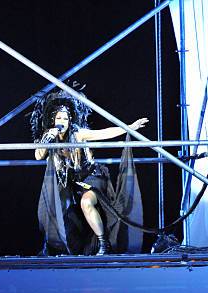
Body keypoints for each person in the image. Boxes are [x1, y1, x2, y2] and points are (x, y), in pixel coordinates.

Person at [31, 89, 148, 256]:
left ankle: (103, 243)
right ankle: (54, 244)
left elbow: (104, 133)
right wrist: (48, 138)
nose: (62, 121)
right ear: (52, 120)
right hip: (72, 184)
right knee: (55, 205)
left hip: (92, 178)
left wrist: (129, 127)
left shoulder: (78, 134)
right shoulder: (50, 136)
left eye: (65, 118)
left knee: (86, 202)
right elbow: (38, 156)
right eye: (59, 118)